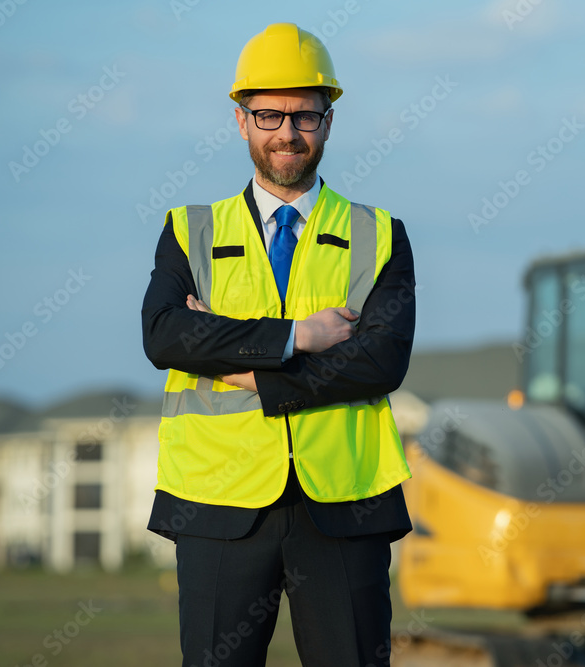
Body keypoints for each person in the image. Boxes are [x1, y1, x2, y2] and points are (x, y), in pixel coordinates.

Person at [141, 22, 416, 667]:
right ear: (241, 121)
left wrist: (252, 375)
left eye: (305, 116)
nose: (287, 133)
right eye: (269, 115)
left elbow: (380, 361)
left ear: (329, 120)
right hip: (218, 503)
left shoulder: (381, 234)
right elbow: (164, 335)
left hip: (346, 505)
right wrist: (299, 336)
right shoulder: (188, 231)